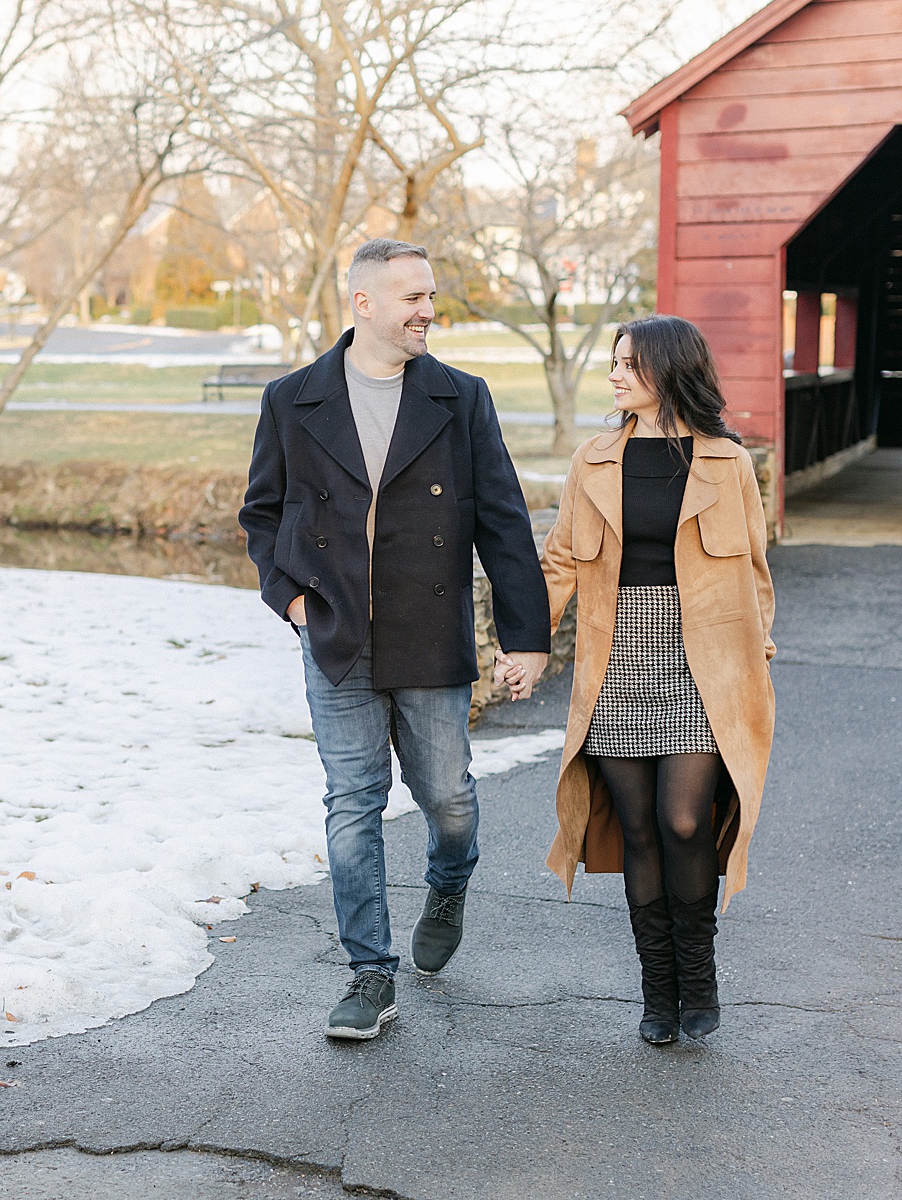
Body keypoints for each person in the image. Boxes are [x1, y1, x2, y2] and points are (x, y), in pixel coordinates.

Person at [240, 238, 550, 1040]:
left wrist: (528, 636)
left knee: (447, 800)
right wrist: (294, 603)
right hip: (336, 634)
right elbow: (262, 516)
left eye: (430, 294)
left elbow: (504, 521)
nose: (427, 310)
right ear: (364, 304)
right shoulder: (293, 399)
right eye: (411, 296)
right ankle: (369, 976)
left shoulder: (460, 396)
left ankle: (449, 884)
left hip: (428, 631)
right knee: (353, 805)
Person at [503, 314, 775, 1045]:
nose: (616, 375)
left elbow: (754, 571)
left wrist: (760, 652)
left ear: (669, 370)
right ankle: (659, 994)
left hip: (703, 663)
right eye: (614, 363)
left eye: (629, 364)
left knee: (684, 819)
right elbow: (559, 560)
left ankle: (700, 981)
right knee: (638, 831)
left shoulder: (726, 462)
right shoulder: (594, 459)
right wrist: (524, 642)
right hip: (615, 657)